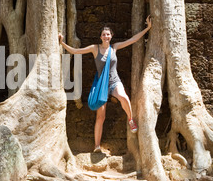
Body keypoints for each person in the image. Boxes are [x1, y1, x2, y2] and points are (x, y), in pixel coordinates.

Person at [59, 15, 152, 153]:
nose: (106, 36)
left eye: (108, 34)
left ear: (111, 36)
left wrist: (148, 28)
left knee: (123, 96)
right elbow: (75, 51)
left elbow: (133, 39)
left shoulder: (115, 47)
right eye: (103, 34)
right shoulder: (94, 48)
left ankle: (131, 119)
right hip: (101, 85)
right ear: (100, 37)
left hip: (114, 81)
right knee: (100, 116)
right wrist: (62, 43)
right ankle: (97, 146)